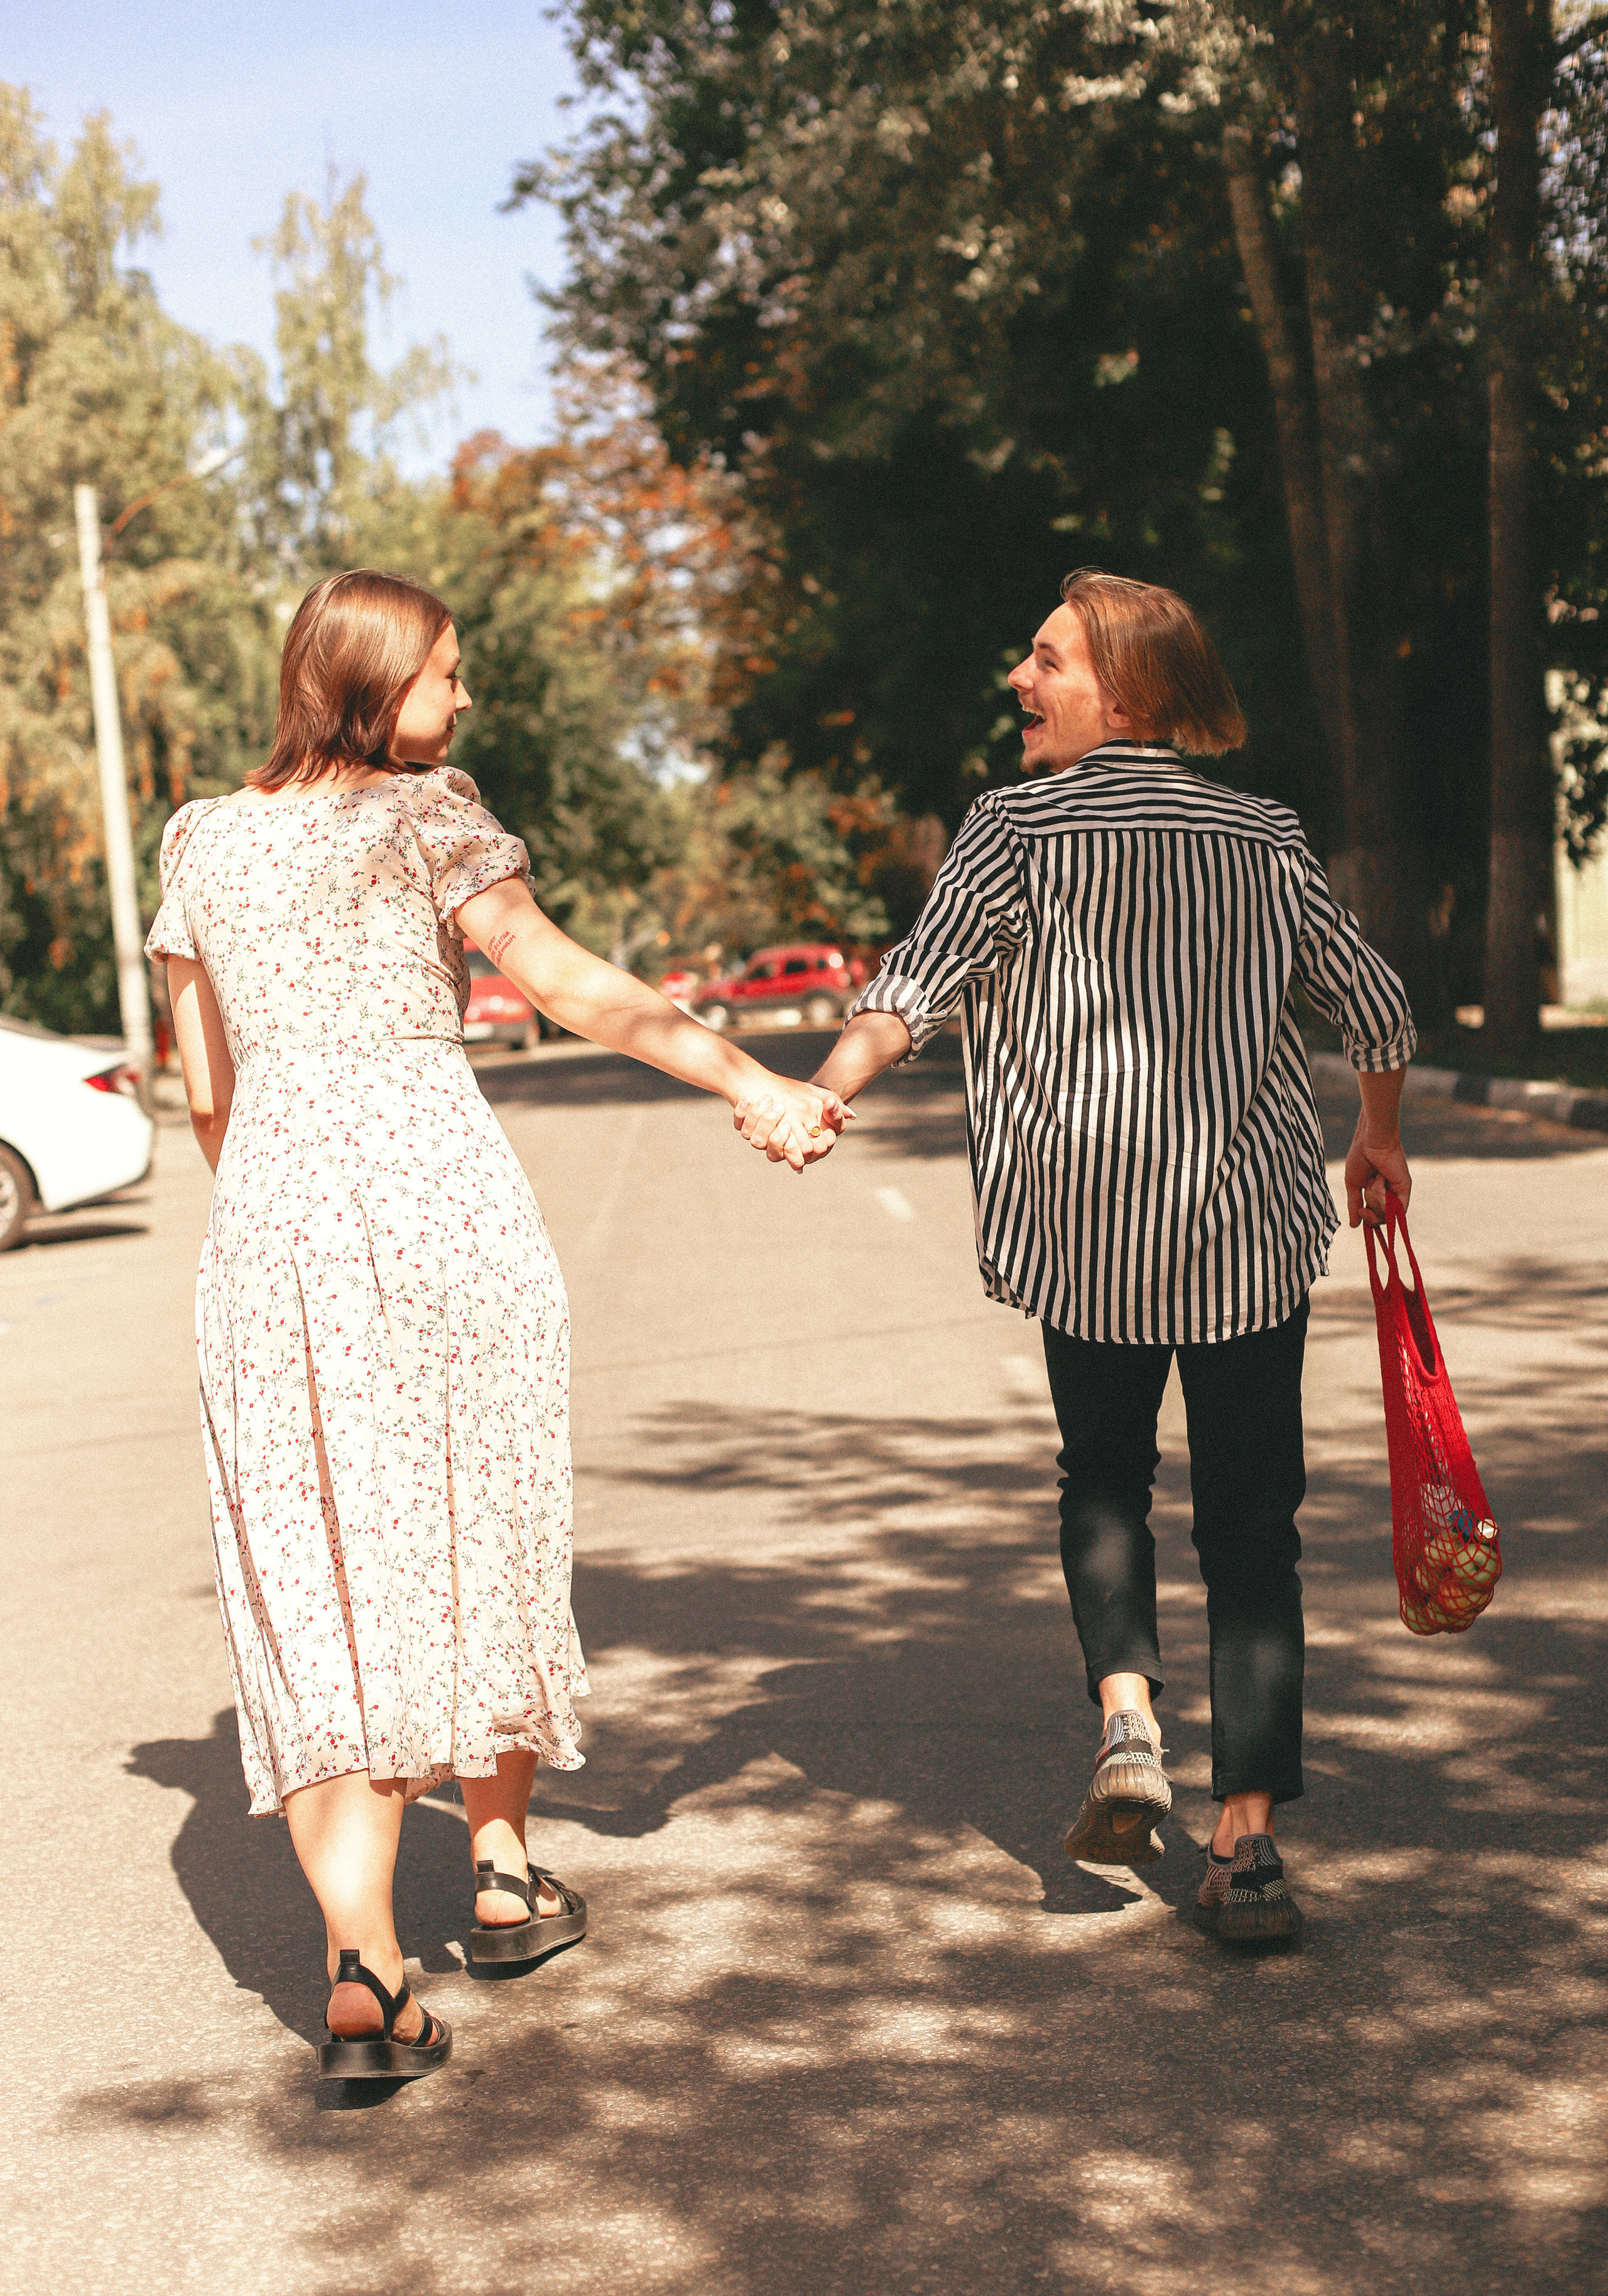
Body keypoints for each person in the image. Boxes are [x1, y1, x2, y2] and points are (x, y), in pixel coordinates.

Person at [149, 570, 843, 2079]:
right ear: (370, 684)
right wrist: (751, 1081)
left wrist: (288, 1203)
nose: (463, 700)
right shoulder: (428, 813)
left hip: (272, 1238)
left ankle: (362, 1968)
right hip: (445, 1219)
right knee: (475, 1528)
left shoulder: (199, 840)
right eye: (446, 675)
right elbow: (564, 981)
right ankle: (503, 1864)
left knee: (319, 1586)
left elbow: (205, 1085)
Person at [811, 569, 1415, 1946]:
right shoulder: (1261, 834)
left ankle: (1128, 1718)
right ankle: (1245, 1841)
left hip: (1087, 1229)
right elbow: (1369, 1005)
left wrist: (829, 1086)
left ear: (1125, 691)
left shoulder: (1012, 828)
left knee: (1103, 1479)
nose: (1018, 682)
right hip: (1240, 1229)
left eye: (1045, 661)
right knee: (1252, 1530)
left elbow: (920, 981)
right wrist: (1375, 1139)